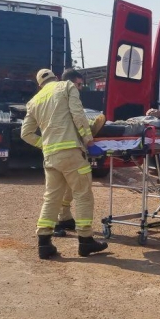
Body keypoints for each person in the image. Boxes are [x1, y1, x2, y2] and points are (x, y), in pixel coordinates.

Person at [21, 68, 108, 259]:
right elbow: (78, 114)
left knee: (51, 198)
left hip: (51, 157)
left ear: (39, 85)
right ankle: (85, 241)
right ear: (56, 78)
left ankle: (44, 244)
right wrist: (89, 140)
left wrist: (44, 145)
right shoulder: (66, 86)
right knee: (83, 195)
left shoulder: (34, 101)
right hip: (72, 153)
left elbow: (25, 133)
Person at [53, 69, 105, 237]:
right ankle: (60, 227)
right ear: (70, 83)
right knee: (59, 190)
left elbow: (75, 120)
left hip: (58, 149)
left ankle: (64, 218)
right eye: (79, 84)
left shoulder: (58, 97)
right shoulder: (69, 92)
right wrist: (89, 139)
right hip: (64, 149)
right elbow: (77, 117)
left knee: (65, 188)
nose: (81, 88)